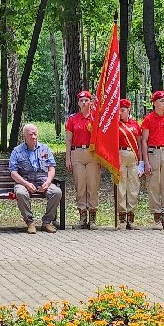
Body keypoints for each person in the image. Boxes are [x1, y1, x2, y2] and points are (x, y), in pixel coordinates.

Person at [7, 123, 62, 233]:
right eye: (30, 134)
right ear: (24, 136)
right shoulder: (17, 151)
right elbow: (13, 173)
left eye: (35, 134)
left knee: (56, 192)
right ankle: (30, 222)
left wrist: (48, 182)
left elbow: (51, 169)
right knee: (20, 193)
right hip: (24, 181)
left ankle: (47, 222)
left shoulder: (45, 149)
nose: (33, 137)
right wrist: (26, 184)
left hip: (43, 180)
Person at [140, 91, 164, 230]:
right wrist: (146, 162)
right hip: (153, 152)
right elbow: (144, 141)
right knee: (153, 185)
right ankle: (156, 217)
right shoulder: (148, 119)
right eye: (161, 101)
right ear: (154, 103)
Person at [66, 90, 101, 228]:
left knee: (93, 185)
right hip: (77, 153)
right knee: (80, 185)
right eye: (81, 100)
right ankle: (82, 217)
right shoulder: (73, 119)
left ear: (91, 102)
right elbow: (69, 140)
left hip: (92, 153)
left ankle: (92, 217)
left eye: (86, 100)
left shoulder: (96, 118)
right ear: (78, 103)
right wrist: (68, 158)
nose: (84, 102)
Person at [114, 99, 142, 229]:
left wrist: (141, 161)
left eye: (123, 110)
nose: (120, 113)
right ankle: (122, 217)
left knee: (133, 187)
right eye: (118, 110)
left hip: (133, 156)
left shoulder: (135, 124)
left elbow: (139, 143)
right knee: (121, 186)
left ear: (128, 110)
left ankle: (131, 217)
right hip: (120, 155)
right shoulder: (115, 125)